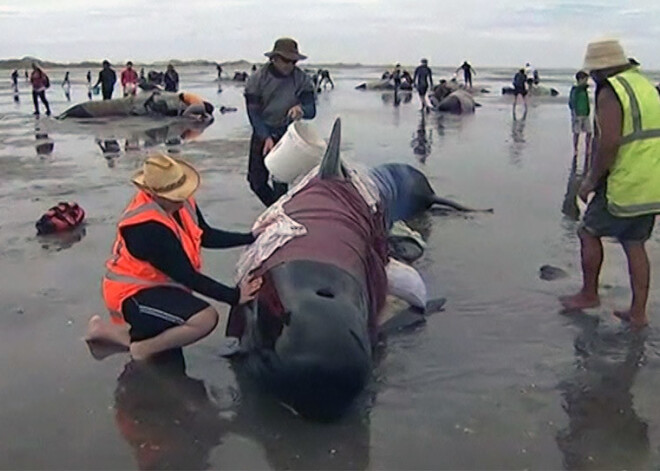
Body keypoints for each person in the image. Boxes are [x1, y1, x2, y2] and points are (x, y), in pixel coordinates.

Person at [85, 152, 262, 360]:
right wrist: (234, 296)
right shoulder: (146, 228)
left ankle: (105, 331)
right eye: (175, 196)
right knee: (205, 318)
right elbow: (187, 276)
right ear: (154, 194)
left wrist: (250, 237)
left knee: (181, 315)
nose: (183, 198)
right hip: (132, 293)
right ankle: (142, 349)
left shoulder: (182, 202)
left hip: (160, 285)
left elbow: (205, 234)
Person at [560, 39, 660, 329]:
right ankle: (638, 313)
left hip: (624, 180)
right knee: (635, 242)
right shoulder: (643, 85)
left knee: (588, 231)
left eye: (593, 73)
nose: (591, 78)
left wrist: (591, 180)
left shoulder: (611, 91)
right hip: (651, 180)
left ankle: (589, 294)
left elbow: (610, 142)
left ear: (601, 70)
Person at [244, 37, 316, 206]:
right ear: (274, 58)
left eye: (293, 62)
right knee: (256, 181)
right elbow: (253, 113)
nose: (290, 65)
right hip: (263, 131)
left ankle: (280, 213)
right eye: (285, 60)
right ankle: (277, 211)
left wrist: (302, 109)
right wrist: (265, 137)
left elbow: (312, 110)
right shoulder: (257, 79)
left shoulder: (302, 79)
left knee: (280, 182)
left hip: (287, 135)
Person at [568, 70, 592, 164]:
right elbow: (572, 102)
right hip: (577, 114)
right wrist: (574, 113)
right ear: (580, 79)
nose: (586, 81)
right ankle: (576, 149)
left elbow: (586, 101)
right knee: (576, 133)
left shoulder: (584, 89)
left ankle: (588, 148)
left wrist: (588, 110)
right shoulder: (575, 89)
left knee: (589, 132)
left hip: (585, 113)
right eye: (585, 79)